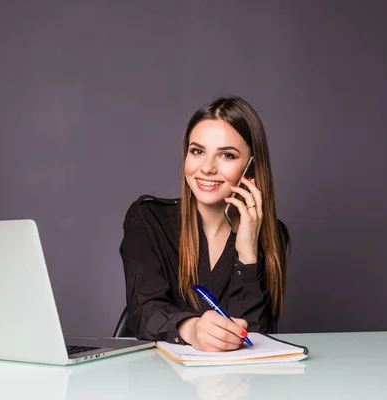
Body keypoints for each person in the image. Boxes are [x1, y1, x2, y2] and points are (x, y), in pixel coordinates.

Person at [119, 95, 290, 352]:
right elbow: (144, 309)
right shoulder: (147, 219)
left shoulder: (271, 235)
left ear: (251, 166)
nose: (207, 168)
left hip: (232, 385)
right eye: (197, 151)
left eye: (227, 155)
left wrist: (247, 255)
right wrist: (192, 329)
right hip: (155, 377)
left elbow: (255, 338)